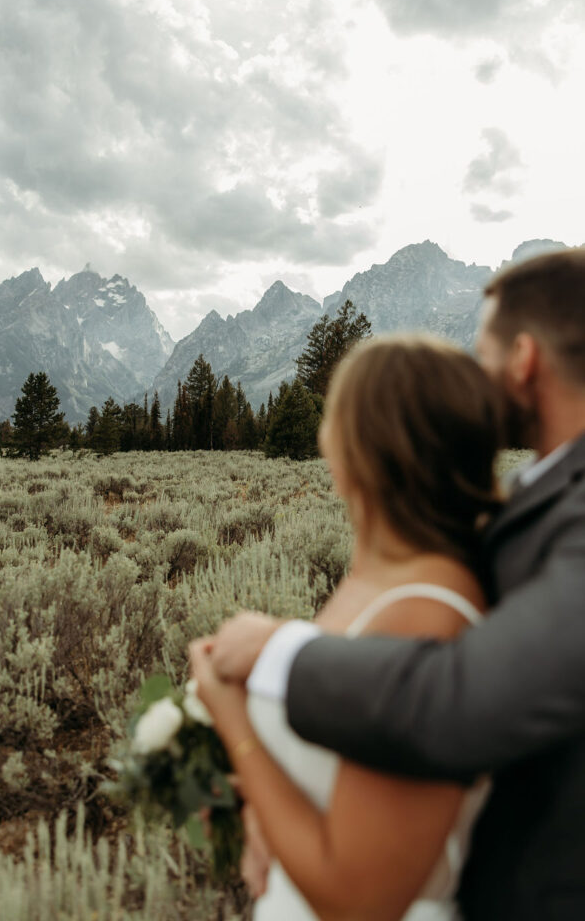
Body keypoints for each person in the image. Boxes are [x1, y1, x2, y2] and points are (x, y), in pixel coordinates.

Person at [205, 248, 585, 921]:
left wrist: (263, 669)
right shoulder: (531, 509)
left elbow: (451, 700)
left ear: (523, 359)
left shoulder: (430, 602)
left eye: (482, 351)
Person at [191, 333, 504, 920]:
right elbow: (336, 785)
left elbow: (360, 900)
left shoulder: (423, 614)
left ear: (360, 449)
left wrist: (230, 716)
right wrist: (252, 808)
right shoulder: (379, 581)